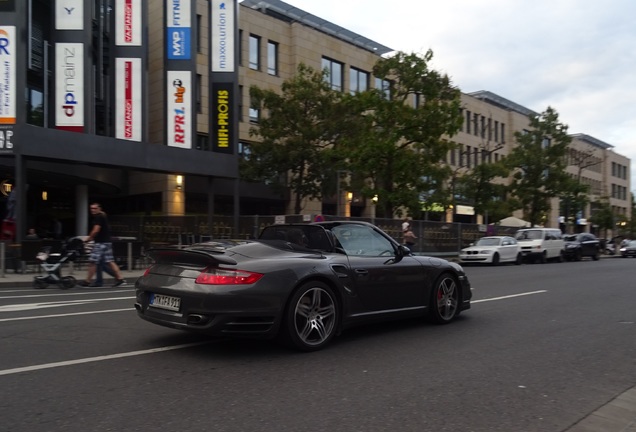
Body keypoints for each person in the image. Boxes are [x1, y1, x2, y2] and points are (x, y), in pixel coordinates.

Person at [81, 203, 126, 287]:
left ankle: (87, 281)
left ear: (99, 209)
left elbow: (96, 230)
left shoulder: (99, 217)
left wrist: (88, 239)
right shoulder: (103, 216)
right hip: (107, 242)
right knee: (110, 261)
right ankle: (120, 278)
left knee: (93, 262)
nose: (93, 210)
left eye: (95, 208)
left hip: (100, 243)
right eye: (91, 208)